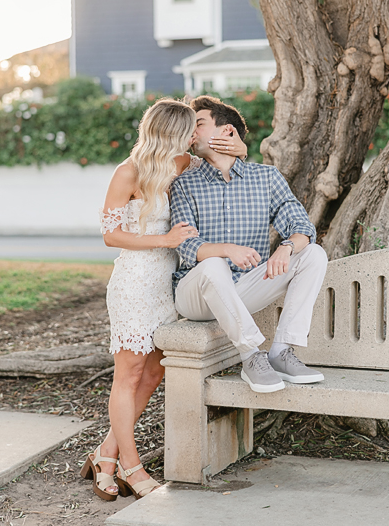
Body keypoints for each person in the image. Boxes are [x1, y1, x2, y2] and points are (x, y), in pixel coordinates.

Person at [82, 98, 246, 501]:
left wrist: (238, 148)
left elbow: (226, 162)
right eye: (189, 130)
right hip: (134, 284)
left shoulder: (185, 164)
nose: (195, 136)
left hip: (167, 285)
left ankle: (106, 454)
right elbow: (110, 235)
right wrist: (165, 240)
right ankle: (131, 467)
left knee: (154, 372)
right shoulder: (129, 172)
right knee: (130, 374)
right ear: (171, 132)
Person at [170, 95, 328, 394]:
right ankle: (251, 355)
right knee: (213, 263)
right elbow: (187, 247)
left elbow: (302, 227)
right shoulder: (185, 182)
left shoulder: (266, 177)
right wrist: (227, 248)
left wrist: (287, 247)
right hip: (196, 294)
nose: (191, 131)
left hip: (244, 287)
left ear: (227, 131)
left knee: (313, 254)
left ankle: (281, 351)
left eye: (199, 124)